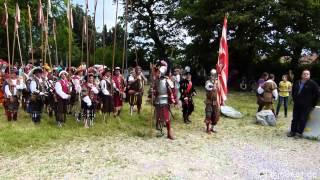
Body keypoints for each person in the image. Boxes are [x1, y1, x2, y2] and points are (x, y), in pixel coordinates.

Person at [288, 70, 319, 138]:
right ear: (301, 75)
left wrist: (313, 104)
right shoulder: (297, 82)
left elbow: (317, 94)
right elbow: (293, 92)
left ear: (309, 75)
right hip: (297, 104)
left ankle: (299, 133)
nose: (306, 75)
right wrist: (294, 99)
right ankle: (292, 131)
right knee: (295, 118)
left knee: (303, 119)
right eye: (304, 74)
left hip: (306, 105)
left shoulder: (313, 84)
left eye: (307, 74)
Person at [153, 60, 175, 140]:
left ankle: (169, 133)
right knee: (158, 117)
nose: (157, 73)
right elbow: (155, 90)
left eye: (159, 72)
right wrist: (153, 92)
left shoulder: (167, 80)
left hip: (164, 101)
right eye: (157, 72)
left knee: (166, 118)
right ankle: (160, 132)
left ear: (162, 72)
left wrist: (172, 101)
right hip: (157, 101)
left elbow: (172, 91)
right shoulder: (156, 81)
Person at [204, 69, 220, 133]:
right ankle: (207, 128)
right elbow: (208, 86)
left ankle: (212, 128)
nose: (212, 76)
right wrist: (213, 86)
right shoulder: (208, 82)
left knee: (215, 114)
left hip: (215, 101)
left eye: (213, 75)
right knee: (208, 114)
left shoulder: (217, 82)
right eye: (211, 75)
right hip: (209, 101)